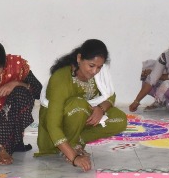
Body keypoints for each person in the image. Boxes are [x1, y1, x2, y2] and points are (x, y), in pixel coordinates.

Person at [36, 39, 128, 171]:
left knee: (120, 120)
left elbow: (110, 95)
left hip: (82, 117)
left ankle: (77, 140)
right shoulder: (61, 78)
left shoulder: (100, 74)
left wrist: (101, 109)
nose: (95, 71)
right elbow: (53, 124)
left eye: (99, 67)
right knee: (78, 105)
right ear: (79, 58)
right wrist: (74, 158)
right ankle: (70, 148)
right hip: (54, 130)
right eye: (91, 66)